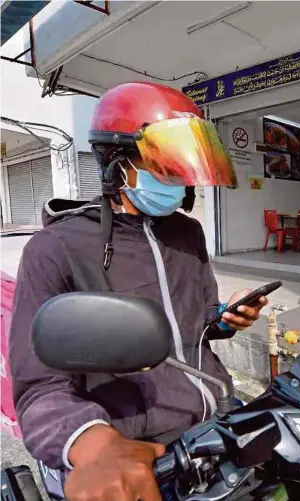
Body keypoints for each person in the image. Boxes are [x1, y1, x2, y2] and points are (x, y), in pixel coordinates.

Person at [9, 82, 267, 501]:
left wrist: (223, 318)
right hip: (137, 454)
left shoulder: (189, 233)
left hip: (214, 424)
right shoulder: (55, 249)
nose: (177, 176)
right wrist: (96, 447)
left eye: (181, 164)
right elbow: (39, 387)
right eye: (163, 162)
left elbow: (195, 320)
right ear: (117, 162)